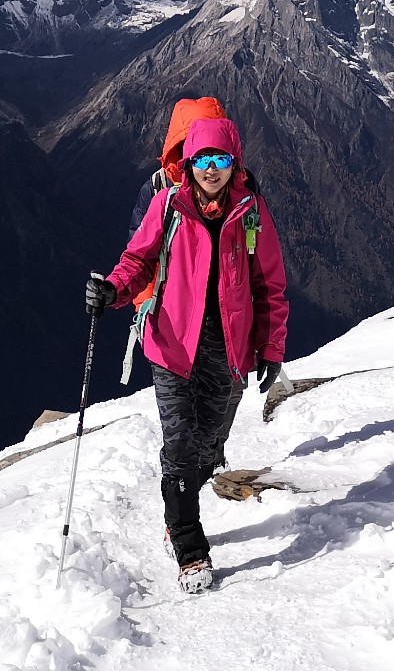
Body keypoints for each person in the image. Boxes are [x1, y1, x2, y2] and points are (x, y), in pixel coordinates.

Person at [85, 105, 288, 594]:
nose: (211, 168)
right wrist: (113, 291)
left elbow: (270, 287)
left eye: (220, 158)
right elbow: (137, 258)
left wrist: (270, 348)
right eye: (202, 159)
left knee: (209, 443)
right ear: (188, 162)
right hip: (172, 345)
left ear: (234, 162)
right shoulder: (168, 206)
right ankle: (189, 548)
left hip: (228, 349)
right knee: (179, 446)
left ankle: (177, 511)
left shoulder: (251, 213)